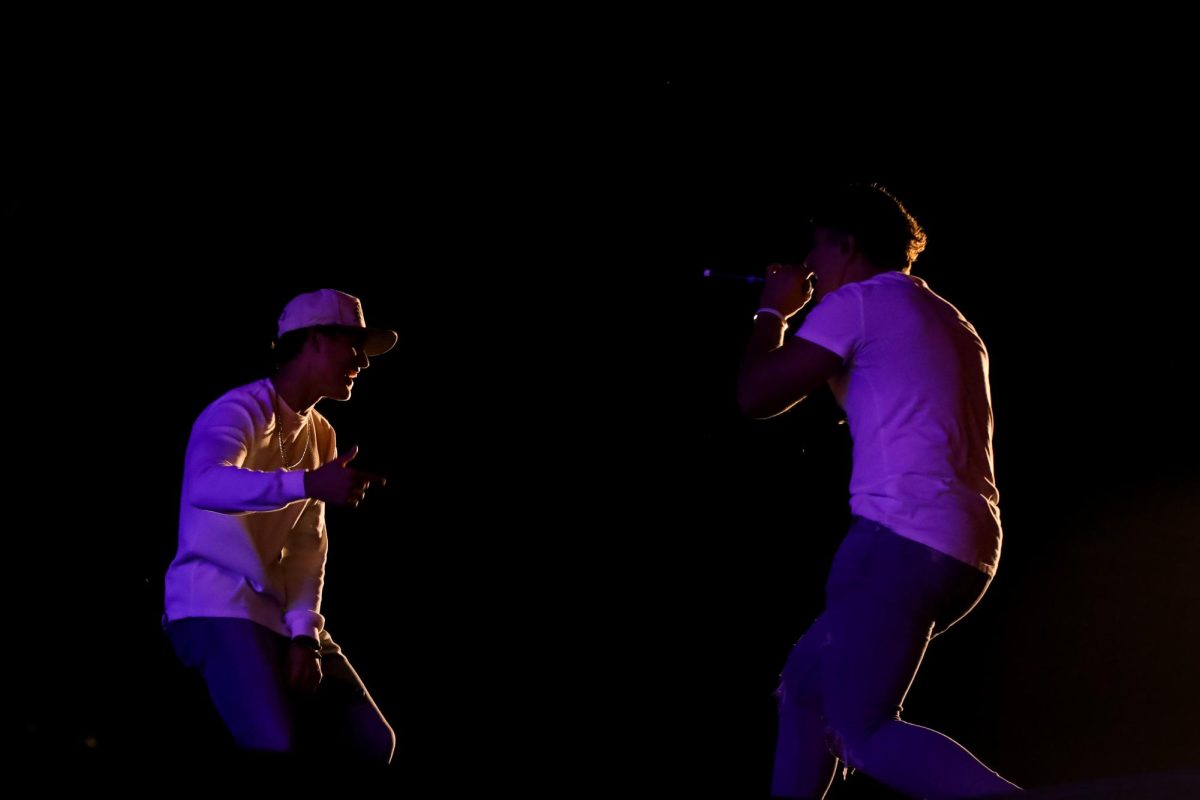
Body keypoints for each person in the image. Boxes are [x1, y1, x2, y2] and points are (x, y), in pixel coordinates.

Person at [738, 184, 1022, 799]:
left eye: (815, 248)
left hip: (901, 537)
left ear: (846, 243)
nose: (808, 267)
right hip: (963, 545)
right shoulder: (949, 318)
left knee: (860, 726)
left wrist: (772, 312)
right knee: (808, 688)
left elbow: (756, 395)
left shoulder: (860, 303)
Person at [163, 288, 397, 766]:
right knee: (275, 746)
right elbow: (206, 485)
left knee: (373, 742)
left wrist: (304, 636)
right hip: (213, 598)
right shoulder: (238, 410)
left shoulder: (323, 434)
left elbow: (308, 547)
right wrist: (309, 481)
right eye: (353, 345)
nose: (363, 362)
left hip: (274, 609)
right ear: (313, 341)